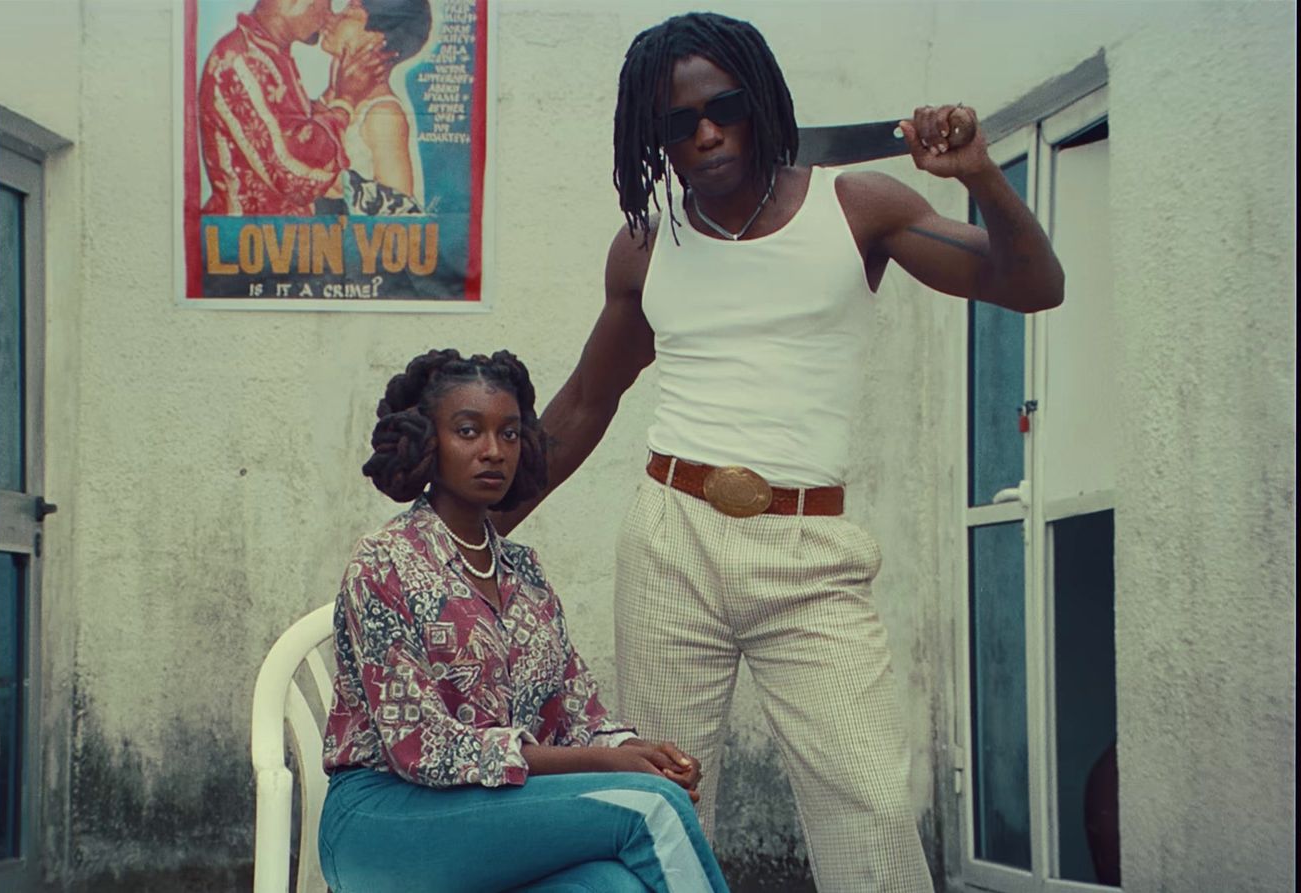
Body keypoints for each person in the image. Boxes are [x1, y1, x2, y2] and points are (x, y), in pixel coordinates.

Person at [493, 12, 1065, 893]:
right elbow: (582, 404)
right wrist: (454, 538)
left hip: (810, 550)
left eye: (722, 107)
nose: (705, 132)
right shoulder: (648, 246)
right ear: (655, 141)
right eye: (677, 124)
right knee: (665, 793)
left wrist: (980, 176)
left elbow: (1032, 284)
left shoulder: (857, 206)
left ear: (759, 102)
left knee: (869, 801)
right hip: (671, 539)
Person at [319, 349, 731, 893]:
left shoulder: (523, 573)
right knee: (649, 807)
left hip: (493, 817)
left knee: (615, 886)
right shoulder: (384, 562)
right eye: (469, 431)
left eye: (509, 434)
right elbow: (422, 748)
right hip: (383, 822)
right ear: (427, 442)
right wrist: (603, 766)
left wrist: (625, 749)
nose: (493, 451)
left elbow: (576, 710)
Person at [197, 0, 388, 216]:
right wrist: (345, 102)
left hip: (278, 236)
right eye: (326, 6)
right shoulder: (242, 61)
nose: (329, 18)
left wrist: (337, 93)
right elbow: (296, 180)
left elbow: (291, 124)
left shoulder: (269, 53)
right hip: (248, 237)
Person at [319, 0, 432, 214]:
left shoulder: (383, 115)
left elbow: (398, 213)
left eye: (349, 14)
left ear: (377, 39)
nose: (330, 18)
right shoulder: (327, 98)